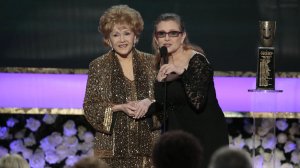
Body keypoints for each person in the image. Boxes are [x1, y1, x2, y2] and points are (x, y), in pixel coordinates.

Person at [83, 5, 160, 168]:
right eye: (115, 35)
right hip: (110, 153)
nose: (122, 40)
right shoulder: (98, 66)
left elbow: (167, 101)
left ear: (135, 36)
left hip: (149, 152)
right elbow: (90, 107)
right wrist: (119, 107)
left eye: (127, 33)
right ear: (108, 39)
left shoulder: (153, 63)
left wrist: (150, 103)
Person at [151, 13, 229, 168]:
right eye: (162, 34)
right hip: (179, 137)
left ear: (183, 36)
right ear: (156, 38)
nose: (167, 38)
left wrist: (182, 72)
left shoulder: (197, 59)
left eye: (173, 33)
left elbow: (198, 101)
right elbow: (165, 108)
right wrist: (157, 86)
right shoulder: (161, 62)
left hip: (206, 134)